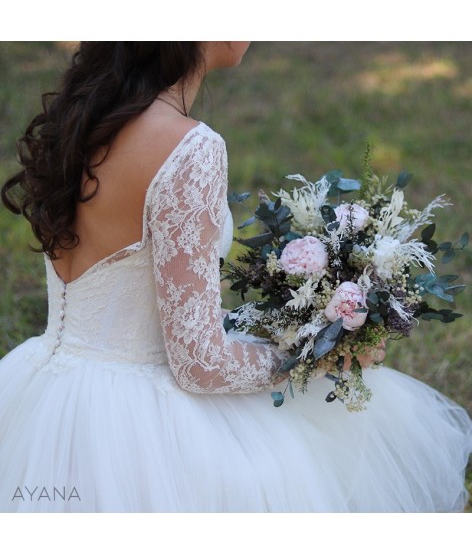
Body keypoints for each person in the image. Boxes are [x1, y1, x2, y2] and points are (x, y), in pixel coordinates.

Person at [0, 41, 470, 513]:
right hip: (139, 427)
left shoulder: (83, 121)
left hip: (48, 396)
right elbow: (198, 362)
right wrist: (317, 359)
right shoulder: (188, 147)